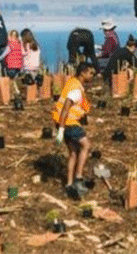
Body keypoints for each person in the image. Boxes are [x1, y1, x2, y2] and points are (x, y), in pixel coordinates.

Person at [52, 62, 96, 198]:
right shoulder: (75, 90)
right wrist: (61, 130)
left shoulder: (73, 84)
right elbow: (65, 109)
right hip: (68, 123)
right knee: (86, 145)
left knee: (73, 153)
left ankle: (69, 184)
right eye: (90, 73)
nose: (92, 76)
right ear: (82, 72)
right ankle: (78, 178)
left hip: (62, 123)